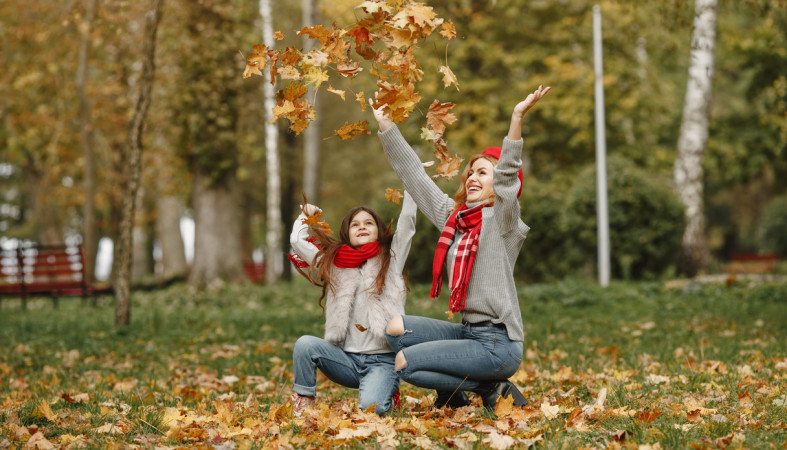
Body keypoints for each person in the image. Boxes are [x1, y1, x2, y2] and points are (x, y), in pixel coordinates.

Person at [368, 85, 551, 410]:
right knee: (395, 329)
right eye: (470, 173)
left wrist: (517, 117)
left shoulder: (504, 220)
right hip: (468, 333)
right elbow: (415, 178)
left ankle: (489, 384)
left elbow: (508, 176)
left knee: (405, 363)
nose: (472, 178)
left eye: (483, 172)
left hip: (498, 344)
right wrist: (387, 126)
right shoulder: (455, 219)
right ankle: (476, 388)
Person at [287, 193, 417, 416]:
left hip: (382, 361)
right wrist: (306, 217)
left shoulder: (392, 258)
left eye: (368, 223)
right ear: (347, 232)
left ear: (378, 230)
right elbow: (297, 242)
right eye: (355, 224)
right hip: (345, 359)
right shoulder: (333, 263)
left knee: (371, 409)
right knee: (305, 344)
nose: (362, 227)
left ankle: (388, 390)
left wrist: (411, 188)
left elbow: (407, 223)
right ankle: (304, 400)